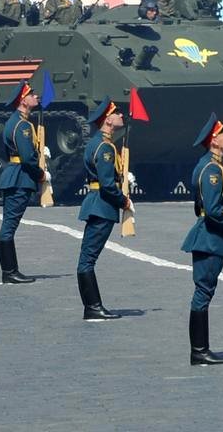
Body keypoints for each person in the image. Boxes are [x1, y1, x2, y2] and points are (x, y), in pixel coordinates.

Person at [183, 114, 223, 367]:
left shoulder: (213, 166)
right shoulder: (211, 170)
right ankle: (199, 351)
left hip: (211, 236)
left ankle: (201, 349)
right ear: (214, 141)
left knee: (204, 292)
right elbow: (212, 209)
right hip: (210, 237)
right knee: (203, 293)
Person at [76, 100, 128, 320]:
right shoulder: (105, 147)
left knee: (87, 258)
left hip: (97, 203)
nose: (121, 115)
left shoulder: (98, 143)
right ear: (107, 119)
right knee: (87, 259)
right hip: (102, 206)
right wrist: (123, 200)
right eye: (117, 113)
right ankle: (92, 306)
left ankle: (92, 306)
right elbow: (107, 184)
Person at [0, 79, 42, 283]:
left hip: (14, 174)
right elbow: (27, 156)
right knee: (9, 226)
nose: (36, 96)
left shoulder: (14, 121)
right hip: (19, 178)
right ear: (23, 100)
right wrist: (40, 172)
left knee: (9, 224)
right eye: (32, 94)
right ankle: (9, 271)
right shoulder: (22, 125)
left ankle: (10, 270)